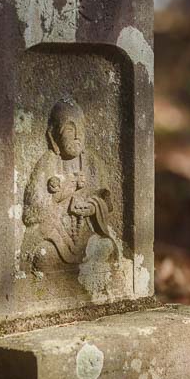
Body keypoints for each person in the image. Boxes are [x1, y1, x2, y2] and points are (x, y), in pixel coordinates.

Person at [21, 98, 120, 272]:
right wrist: (64, 191)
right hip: (57, 234)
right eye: (69, 129)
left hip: (86, 236)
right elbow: (31, 212)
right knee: (44, 256)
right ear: (53, 136)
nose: (77, 136)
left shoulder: (92, 163)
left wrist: (93, 207)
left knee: (108, 249)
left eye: (80, 129)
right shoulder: (48, 162)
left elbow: (107, 202)